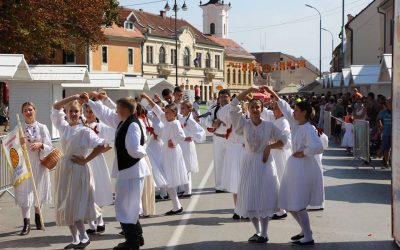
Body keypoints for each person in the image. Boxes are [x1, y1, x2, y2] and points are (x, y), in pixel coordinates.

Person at [82, 92, 150, 250]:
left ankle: (132, 241)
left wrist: (143, 152)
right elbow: (106, 114)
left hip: (132, 171)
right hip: (129, 171)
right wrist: (91, 103)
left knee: (125, 206)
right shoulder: (123, 121)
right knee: (127, 206)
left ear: (126, 110)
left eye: (118, 108)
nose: (116, 111)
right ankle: (136, 238)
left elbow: (134, 148)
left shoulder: (132, 124)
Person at [264, 86, 324, 246]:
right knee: (288, 202)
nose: (294, 112)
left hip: (303, 169)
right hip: (295, 167)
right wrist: (271, 92)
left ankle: (308, 236)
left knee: (298, 202)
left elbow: (318, 146)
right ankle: (305, 231)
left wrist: (303, 152)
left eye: (297, 110)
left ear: (304, 113)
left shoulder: (307, 128)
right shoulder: (297, 124)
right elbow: (284, 106)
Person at [230, 87, 288, 243]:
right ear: (248, 109)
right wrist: (249, 89)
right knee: (250, 198)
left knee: (264, 198)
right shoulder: (244, 124)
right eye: (252, 107)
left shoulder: (269, 126)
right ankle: (258, 232)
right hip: (249, 162)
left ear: (262, 109)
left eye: (258, 107)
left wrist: (270, 147)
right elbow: (233, 105)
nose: (255, 110)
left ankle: (264, 233)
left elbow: (284, 139)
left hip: (265, 163)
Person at [52, 95, 107, 249]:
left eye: (76, 111)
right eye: (71, 111)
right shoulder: (63, 127)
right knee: (64, 202)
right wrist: (74, 97)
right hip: (64, 169)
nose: (73, 114)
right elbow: (56, 106)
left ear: (80, 112)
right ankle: (75, 239)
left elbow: (102, 145)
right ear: (67, 112)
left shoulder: (85, 131)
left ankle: (84, 236)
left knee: (75, 203)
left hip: (78, 169)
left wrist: (86, 160)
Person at [141, 93, 188, 215]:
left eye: (168, 112)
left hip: (172, 152)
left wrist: (174, 141)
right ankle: (176, 205)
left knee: (169, 179)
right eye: (165, 112)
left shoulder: (175, 123)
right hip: (165, 151)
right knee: (167, 179)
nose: (165, 114)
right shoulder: (165, 119)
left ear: (174, 113)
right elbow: (156, 108)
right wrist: (147, 97)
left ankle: (177, 206)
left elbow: (182, 136)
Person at [15, 102, 53, 235]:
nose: (28, 112)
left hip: (39, 163)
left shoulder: (42, 127)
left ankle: (38, 216)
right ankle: (26, 223)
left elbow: (49, 146)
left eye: (30, 110)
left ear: (35, 111)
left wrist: (40, 145)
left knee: (39, 190)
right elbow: (13, 149)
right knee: (25, 192)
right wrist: (18, 144)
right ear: (22, 112)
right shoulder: (18, 129)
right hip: (24, 165)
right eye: (25, 110)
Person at [82, 104, 115, 235]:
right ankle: (93, 223)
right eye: (87, 112)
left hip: (96, 160)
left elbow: (111, 142)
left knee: (97, 189)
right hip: (84, 159)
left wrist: (100, 150)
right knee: (87, 191)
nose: (89, 114)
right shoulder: (81, 127)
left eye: (91, 112)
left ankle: (99, 220)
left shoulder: (102, 127)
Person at [200, 89, 231, 192]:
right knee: (219, 162)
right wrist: (212, 124)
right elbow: (204, 120)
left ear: (229, 97)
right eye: (221, 97)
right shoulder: (214, 109)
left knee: (231, 161)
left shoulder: (234, 108)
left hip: (231, 138)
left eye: (225, 96)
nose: (223, 99)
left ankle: (230, 184)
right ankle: (219, 186)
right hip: (218, 137)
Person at [269, 102, 292, 220]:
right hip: (274, 153)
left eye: (276, 108)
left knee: (279, 179)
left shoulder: (284, 122)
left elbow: (286, 140)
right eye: (273, 108)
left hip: (280, 154)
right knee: (275, 180)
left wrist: (272, 143)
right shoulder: (275, 120)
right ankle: (279, 207)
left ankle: (281, 209)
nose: (273, 110)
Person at [178, 100, 206, 198]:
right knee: (182, 167)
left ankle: (188, 190)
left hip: (187, 145)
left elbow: (201, 132)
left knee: (186, 167)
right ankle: (183, 188)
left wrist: (192, 137)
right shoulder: (182, 118)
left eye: (183, 108)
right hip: (181, 145)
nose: (181, 109)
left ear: (189, 109)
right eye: (181, 107)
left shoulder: (190, 120)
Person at [377, 98, 392, 168]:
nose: (389, 103)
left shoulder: (397, 111)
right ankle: (386, 163)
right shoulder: (383, 112)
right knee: (386, 149)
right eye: (388, 102)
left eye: (390, 102)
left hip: (395, 134)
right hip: (386, 133)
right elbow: (378, 119)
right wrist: (380, 125)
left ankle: (393, 162)